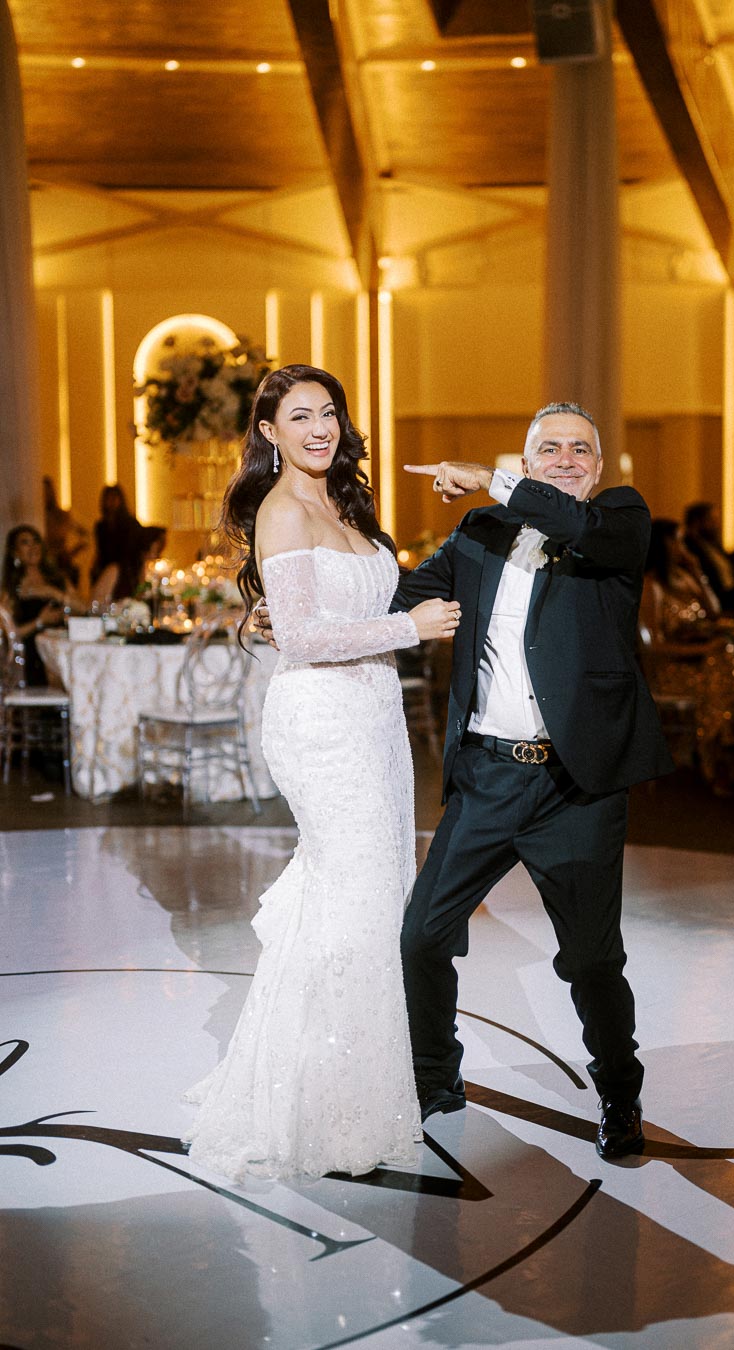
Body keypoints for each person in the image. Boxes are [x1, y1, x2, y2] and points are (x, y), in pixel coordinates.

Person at [183, 364, 459, 1182]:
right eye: (299, 416)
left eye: (329, 412)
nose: (319, 428)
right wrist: (408, 629)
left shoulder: (344, 501)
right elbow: (303, 639)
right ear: (269, 432)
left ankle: (351, 1080)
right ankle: (330, 1103)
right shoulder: (282, 509)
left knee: (374, 896)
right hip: (322, 724)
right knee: (356, 897)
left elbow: (341, 609)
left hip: (375, 716)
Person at [394, 403, 674, 1158]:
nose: (565, 459)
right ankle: (434, 1077)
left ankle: (619, 1094)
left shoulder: (618, 520)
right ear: (527, 461)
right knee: (423, 937)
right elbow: (401, 597)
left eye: (580, 449)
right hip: (487, 775)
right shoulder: (482, 531)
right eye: (548, 448)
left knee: (591, 960)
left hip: (574, 787)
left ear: (599, 466)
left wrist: (488, 477)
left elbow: (576, 525)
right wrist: (299, 605)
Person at [640, 519, 734, 793]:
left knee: (723, 660)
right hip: (672, 668)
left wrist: (697, 571)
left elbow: (714, 611)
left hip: (701, 664)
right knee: (722, 664)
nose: (683, 547)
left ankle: (724, 749)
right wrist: (703, 650)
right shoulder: (651, 585)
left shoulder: (685, 578)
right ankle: (724, 752)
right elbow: (653, 645)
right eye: (678, 540)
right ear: (665, 544)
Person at [1, 525, 84, 685]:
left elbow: (85, 608)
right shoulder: (12, 589)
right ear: (15, 553)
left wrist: (53, 593)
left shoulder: (57, 579)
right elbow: (7, 634)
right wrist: (39, 621)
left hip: (61, 656)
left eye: (36, 541)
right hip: (31, 659)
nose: (33, 547)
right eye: (25, 543)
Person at [89, 483, 145, 603]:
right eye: (108, 498)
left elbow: (133, 549)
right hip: (106, 566)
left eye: (114, 498)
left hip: (126, 568)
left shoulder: (130, 524)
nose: (111, 502)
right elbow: (100, 550)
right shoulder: (101, 526)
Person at [682, 501, 734, 603]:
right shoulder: (690, 548)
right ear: (697, 522)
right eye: (712, 520)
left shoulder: (714, 546)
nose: (717, 525)